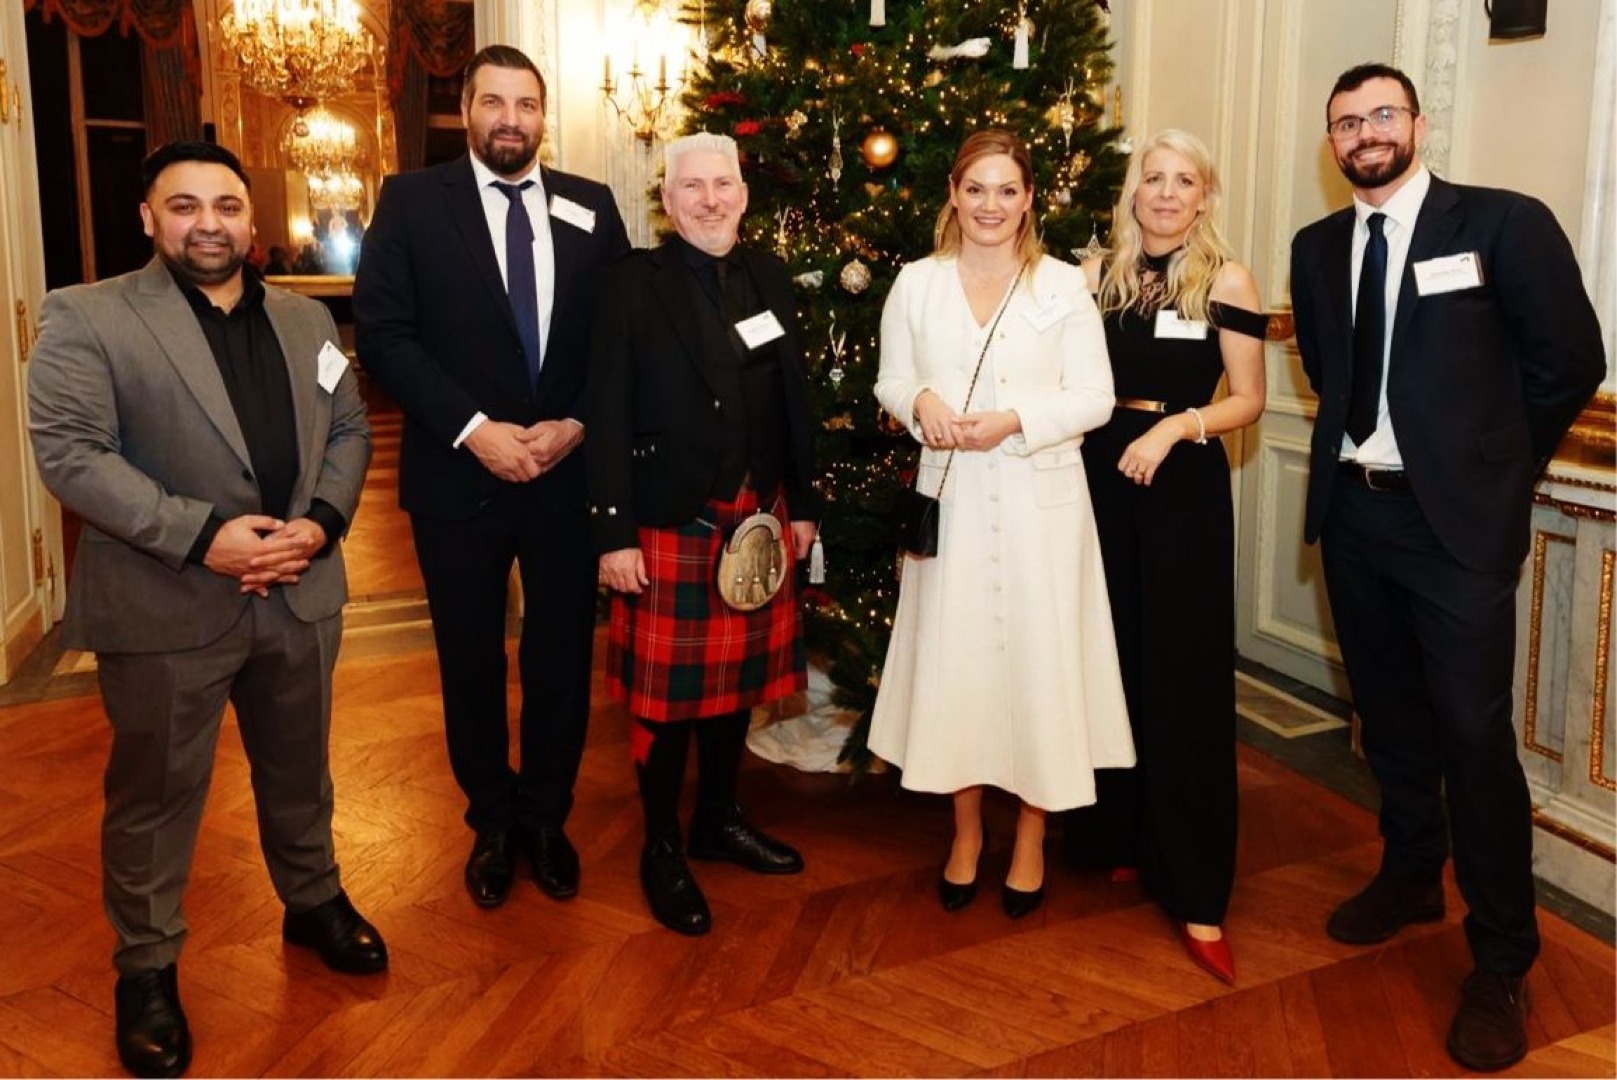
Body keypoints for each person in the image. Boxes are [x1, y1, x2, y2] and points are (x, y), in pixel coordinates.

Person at [26, 141, 381, 1079]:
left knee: (302, 771)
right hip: (166, 601)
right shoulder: (87, 315)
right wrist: (203, 536)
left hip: (301, 593)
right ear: (148, 218)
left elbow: (348, 428)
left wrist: (324, 524)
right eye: (184, 207)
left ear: (250, 220)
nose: (209, 223)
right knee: (156, 797)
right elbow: (70, 454)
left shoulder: (306, 321)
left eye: (226, 205)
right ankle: (146, 967)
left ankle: (313, 903)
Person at [1291, 63, 1604, 1071]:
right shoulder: (1316, 246)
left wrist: (1490, 466)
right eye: (1348, 122)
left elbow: (1569, 359)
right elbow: (1329, 370)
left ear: (1419, 123)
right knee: (1386, 719)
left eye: (1384, 114)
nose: (1367, 133)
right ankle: (1412, 872)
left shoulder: (1501, 225)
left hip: (1455, 531)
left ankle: (1504, 957)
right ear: (1331, 142)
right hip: (1353, 521)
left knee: (1474, 739)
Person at [353, 46, 630, 911]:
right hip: (456, 479)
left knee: (559, 656)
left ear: (545, 117)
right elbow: (384, 335)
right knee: (468, 659)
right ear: (465, 112)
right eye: (493, 102)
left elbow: (620, 339)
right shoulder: (410, 202)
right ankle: (490, 822)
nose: (511, 118)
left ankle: (546, 817)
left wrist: (576, 422)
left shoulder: (592, 205)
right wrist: (476, 432)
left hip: (563, 476)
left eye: (527, 104)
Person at [869, 129, 1134, 920]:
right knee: (959, 672)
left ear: (1028, 201)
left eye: (1006, 190)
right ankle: (963, 835)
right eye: (975, 189)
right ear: (953, 194)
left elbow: (1094, 397)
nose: (990, 205)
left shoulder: (1061, 286)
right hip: (948, 498)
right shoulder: (916, 283)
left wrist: (1014, 418)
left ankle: (1027, 837)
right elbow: (891, 377)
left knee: (1036, 672)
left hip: (1038, 505)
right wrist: (920, 404)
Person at [589, 132, 818, 936]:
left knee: (735, 690)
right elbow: (606, 410)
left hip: (759, 513)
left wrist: (806, 502)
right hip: (669, 518)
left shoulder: (768, 274)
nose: (710, 199)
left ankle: (716, 819)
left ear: (743, 195)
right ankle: (659, 846)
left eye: (723, 185)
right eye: (693, 187)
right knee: (665, 699)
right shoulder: (631, 284)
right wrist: (613, 534)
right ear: (668, 197)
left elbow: (792, 395)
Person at [1061, 129, 1266, 984]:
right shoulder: (1090, 278)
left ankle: (1195, 887)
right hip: (1096, 477)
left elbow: (1248, 400)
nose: (1167, 192)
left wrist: (1178, 426)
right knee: (1108, 659)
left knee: (1180, 675)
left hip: (1179, 480)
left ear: (1204, 195)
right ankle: (1119, 835)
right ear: (1132, 191)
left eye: (1185, 180)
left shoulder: (1226, 280)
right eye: (1154, 178)